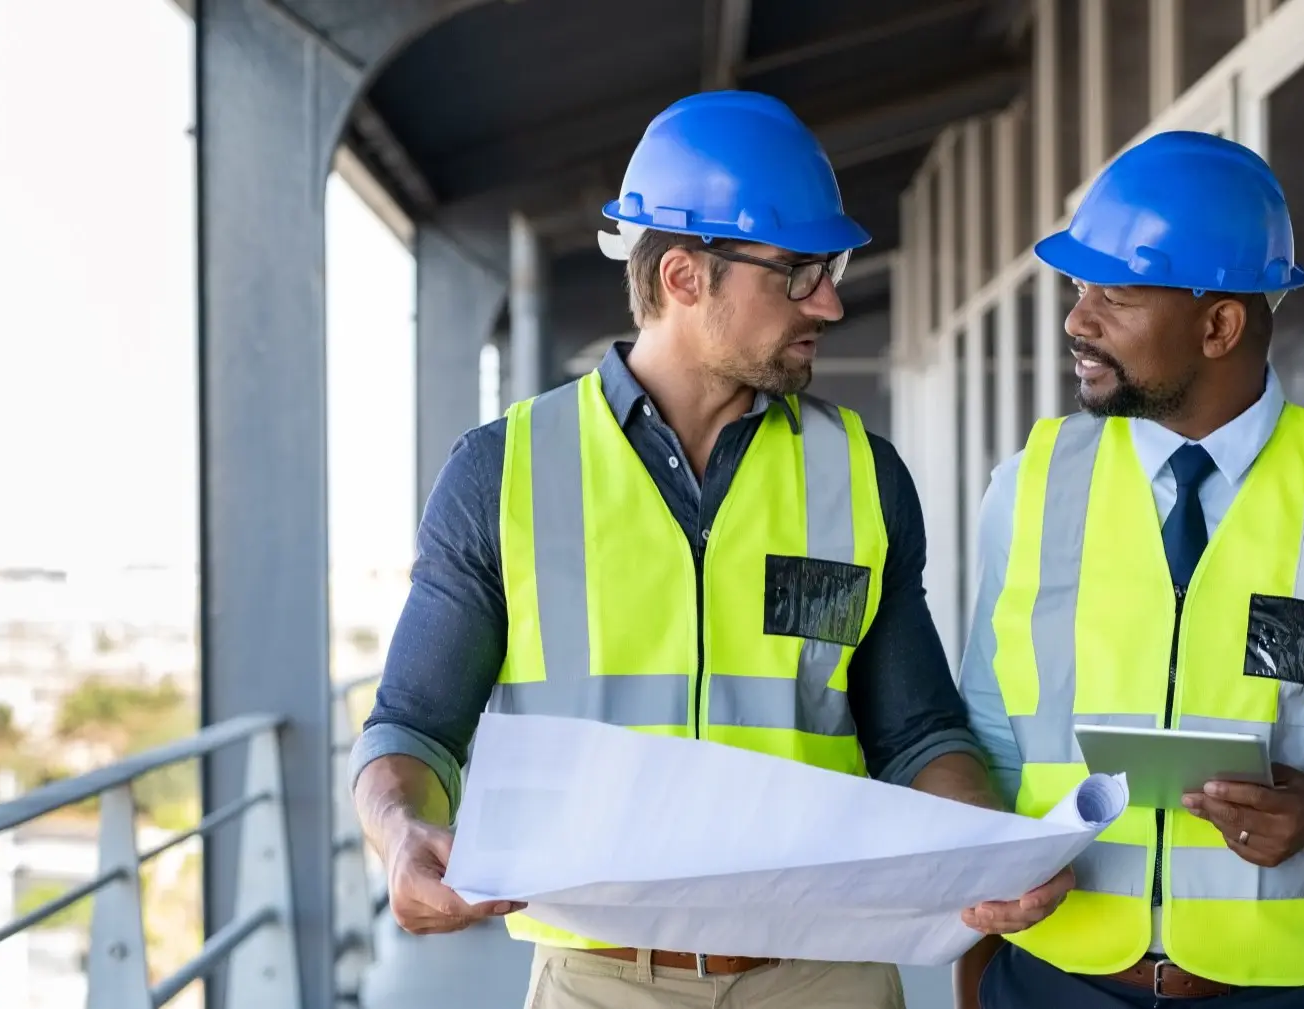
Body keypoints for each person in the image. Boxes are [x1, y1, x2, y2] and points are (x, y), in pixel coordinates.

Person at [349, 90, 1070, 1009]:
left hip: (827, 973)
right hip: (597, 980)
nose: (833, 302)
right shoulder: (504, 472)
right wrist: (402, 830)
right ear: (685, 276)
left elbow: (915, 730)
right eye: (799, 273)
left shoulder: (862, 474)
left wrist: (982, 842)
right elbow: (412, 726)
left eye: (832, 267)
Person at [954, 130, 1304, 1008]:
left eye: (1113, 294)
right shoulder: (1027, 490)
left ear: (1218, 323)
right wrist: (974, 970)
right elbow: (989, 733)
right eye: (1076, 288)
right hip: (1050, 984)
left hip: (1290, 995)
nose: (1075, 320)